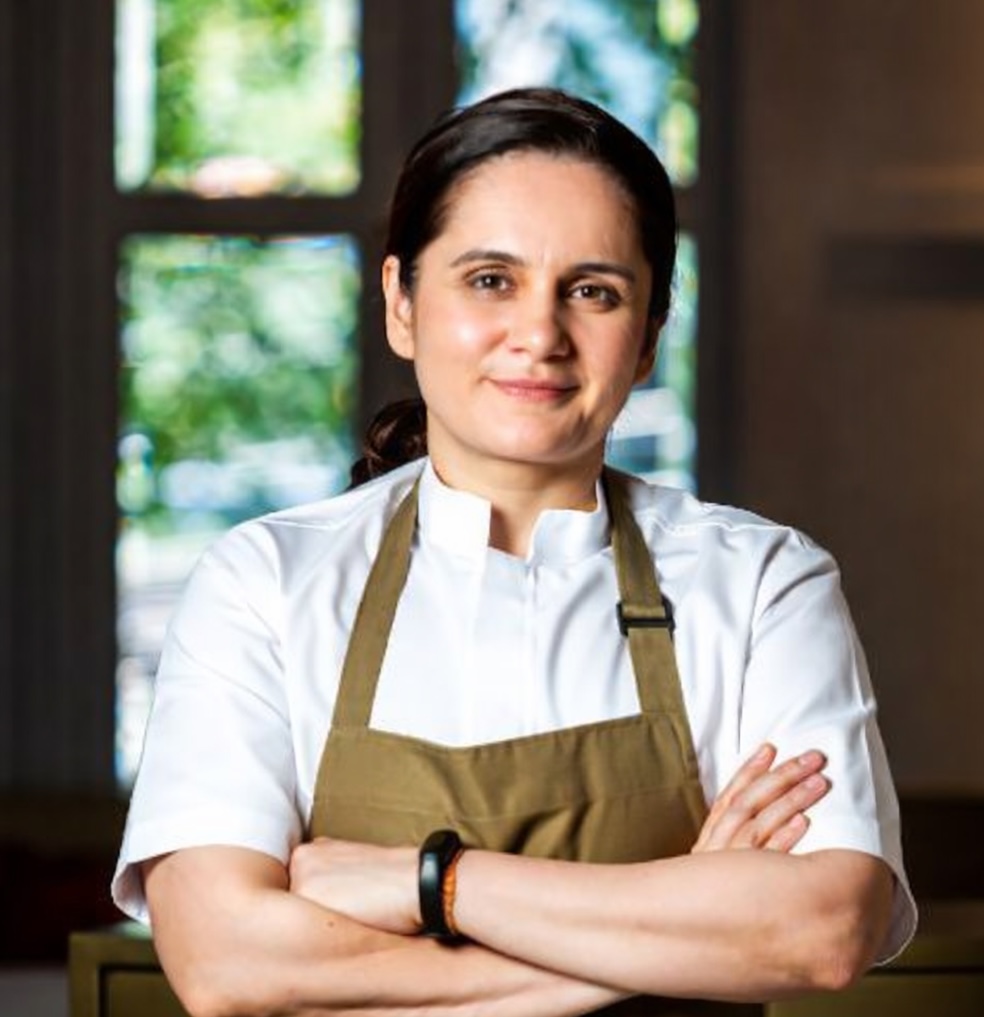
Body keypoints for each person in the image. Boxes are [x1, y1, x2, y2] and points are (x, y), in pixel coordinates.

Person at [113, 87, 916, 1017]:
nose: (539, 335)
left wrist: (431, 883)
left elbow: (821, 932)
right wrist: (677, 932)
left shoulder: (764, 582)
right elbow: (225, 963)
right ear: (401, 303)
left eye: (593, 291)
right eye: (490, 280)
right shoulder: (264, 584)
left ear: (648, 337)